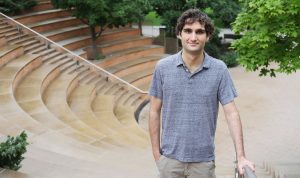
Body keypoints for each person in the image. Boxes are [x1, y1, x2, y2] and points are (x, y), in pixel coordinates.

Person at [149, 9, 255, 178]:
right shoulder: (162, 67)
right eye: (188, 31)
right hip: (169, 162)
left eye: (199, 32)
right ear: (179, 34)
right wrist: (157, 156)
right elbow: (154, 111)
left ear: (208, 36)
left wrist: (241, 157)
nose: (193, 37)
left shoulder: (219, 69)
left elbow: (231, 113)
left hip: (203, 164)